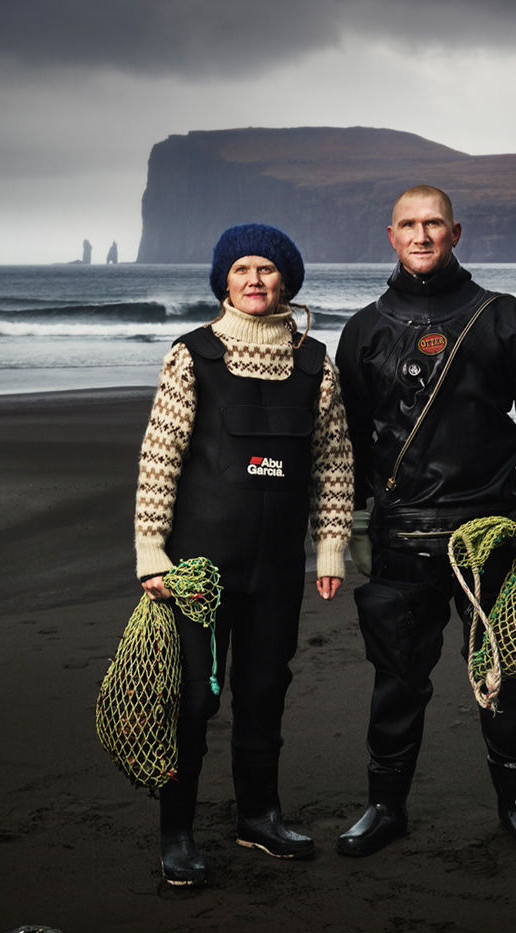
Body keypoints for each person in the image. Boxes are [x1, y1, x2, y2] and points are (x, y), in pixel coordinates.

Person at [333, 186, 516, 857]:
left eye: (433, 223)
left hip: (490, 531)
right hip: (400, 534)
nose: (421, 234)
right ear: (390, 235)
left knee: (504, 674)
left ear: (456, 231)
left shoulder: (502, 318)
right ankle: (384, 807)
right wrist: (346, 525)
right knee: (397, 680)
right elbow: (345, 438)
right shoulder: (363, 330)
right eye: (408, 224)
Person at [133, 223, 354, 886]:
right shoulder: (192, 355)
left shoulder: (316, 362)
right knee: (194, 701)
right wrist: (151, 551)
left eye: (266, 269)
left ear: (286, 280)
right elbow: (160, 457)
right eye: (241, 269)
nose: (254, 280)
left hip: (278, 567)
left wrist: (332, 547)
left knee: (264, 691)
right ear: (223, 281)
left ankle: (259, 817)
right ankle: (177, 832)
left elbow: (335, 461)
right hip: (197, 569)